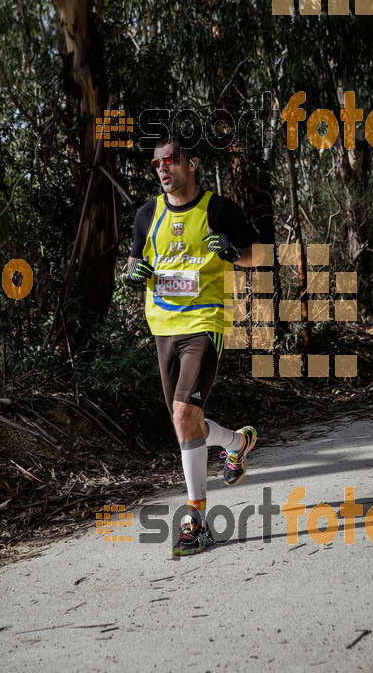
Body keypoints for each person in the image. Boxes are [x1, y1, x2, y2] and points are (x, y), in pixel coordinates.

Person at [126, 139, 260, 555]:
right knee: (186, 423)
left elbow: (258, 255)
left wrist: (235, 254)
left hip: (205, 323)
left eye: (170, 160)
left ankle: (195, 518)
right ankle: (237, 443)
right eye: (156, 163)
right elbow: (132, 263)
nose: (162, 168)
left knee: (184, 415)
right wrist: (132, 274)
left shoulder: (219, 210)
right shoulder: (147, 215)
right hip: (163, 327)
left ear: (192, 163)